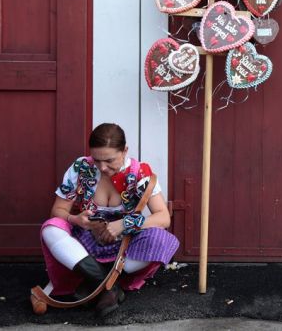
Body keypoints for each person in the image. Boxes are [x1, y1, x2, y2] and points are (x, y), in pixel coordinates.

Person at [39, 123, 179, 316]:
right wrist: (76, 219)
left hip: (124, 245)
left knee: (161, 239)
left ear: (125, 151)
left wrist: (123, 224)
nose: (103, 167)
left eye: (109, 160)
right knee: (50, 228)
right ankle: (107, 284)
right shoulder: (81, 168)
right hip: (85, 241)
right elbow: (58, 210)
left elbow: (163, 217)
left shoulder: (139, 172)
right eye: (97, 160)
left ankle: (94, 281)